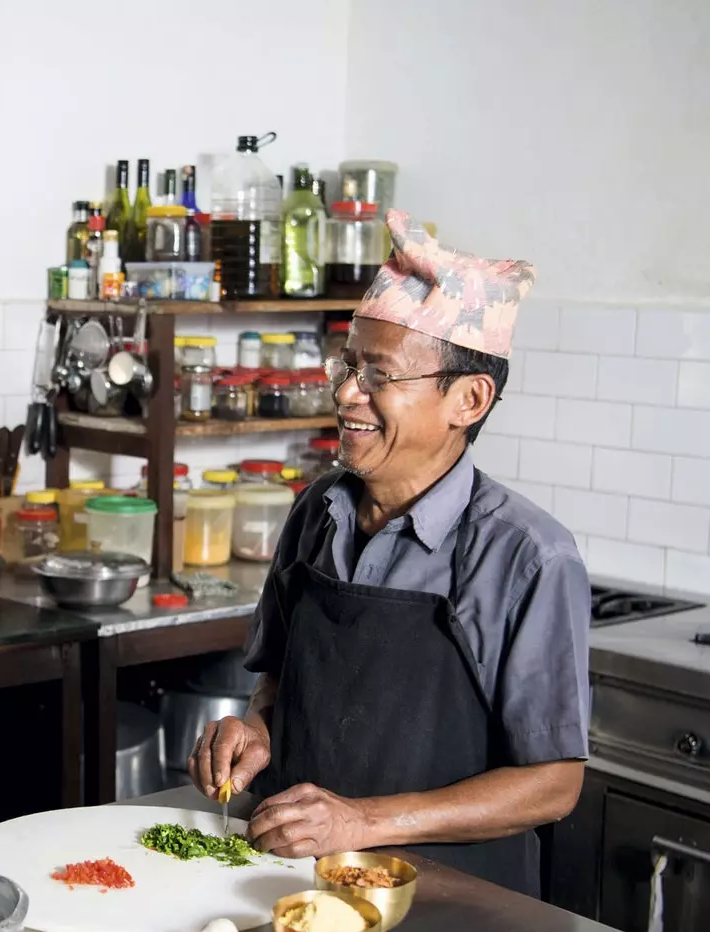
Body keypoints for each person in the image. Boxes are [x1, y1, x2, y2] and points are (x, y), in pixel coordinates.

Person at [190, 210, 589, 896]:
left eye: (380, 374)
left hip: (460, 911)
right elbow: (282, 682)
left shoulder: (526, 555)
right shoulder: (317, 511)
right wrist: (259, 729)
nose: (346, 392)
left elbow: (554, 783)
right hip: (303, 894)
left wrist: (361, 821)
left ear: (468, 397)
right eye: (348, 364)